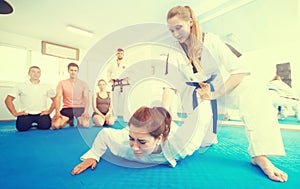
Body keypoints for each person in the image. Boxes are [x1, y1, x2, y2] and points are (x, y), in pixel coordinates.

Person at [163, 6, 287, 182]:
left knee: (255, 90)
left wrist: (216, 94)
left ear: (190, 22)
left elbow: (240, 71)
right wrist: (163, 111)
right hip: (200, 95)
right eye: (171, 30)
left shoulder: (211, 41)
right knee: (205, 140)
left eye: (178, 28)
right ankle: (202, 135)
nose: (175, 34)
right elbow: (169, 84)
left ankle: (260, 155)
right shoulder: (174, 50)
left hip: (224, 89)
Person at [71, 101, 213, 175]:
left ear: (158, 139)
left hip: (172, 130)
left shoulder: (180, 146)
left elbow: (201, 117)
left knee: (205, 141)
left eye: (142, 142)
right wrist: (94, 155)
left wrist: (206, 99)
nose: (134, 147)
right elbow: (105, 134)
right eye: (131, 139)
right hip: (142, 130)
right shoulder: (123, 144)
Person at [4, 66, 55, 131]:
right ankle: (29, 124)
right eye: (33, 71)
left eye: (38, 72)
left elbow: (55, 100)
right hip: (26, 113)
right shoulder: (20, 85)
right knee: (21, 128)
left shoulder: (46, 86)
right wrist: (15, 113)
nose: (36, 74)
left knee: (46, 126)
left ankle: (36, 124)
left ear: (40, 74)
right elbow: (8, 100)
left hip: (41, 113)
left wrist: (49, 111)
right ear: (29, 73)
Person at [51, 63, 90, 129]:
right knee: (55, 126)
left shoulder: (84, 84)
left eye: (75, 70)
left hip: (79, 108)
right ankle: (69, 120)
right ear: (68, 71)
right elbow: (58, 97)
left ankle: (78, 120)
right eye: (71, 70)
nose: (73, 72)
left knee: (85, 125)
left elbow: (86, 98)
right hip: (67, 108)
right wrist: (57, 112)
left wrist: (85, 111)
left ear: (78, 71)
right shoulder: (62, 83)